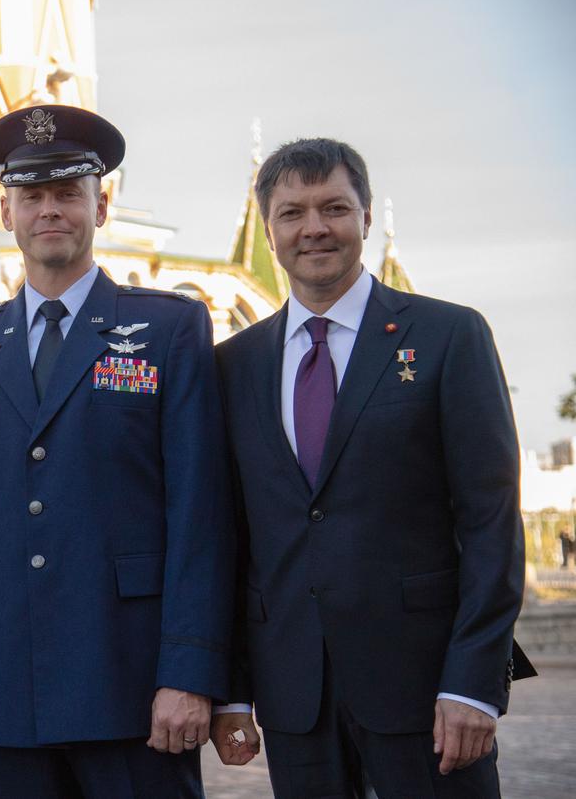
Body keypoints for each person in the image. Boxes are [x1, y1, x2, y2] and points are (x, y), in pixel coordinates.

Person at [0, 104, 234, 798]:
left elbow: (199, 512)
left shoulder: (166, 328)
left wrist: (189, 671)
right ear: (6, 212)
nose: (49, 211)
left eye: (67, 193)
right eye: (31, 196)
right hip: (9, 685)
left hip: (133, 684)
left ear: (101, 203)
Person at [211, 138, 534, 797]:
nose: (313, 228)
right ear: (267, 228)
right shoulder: (232, 364)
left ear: (363, 215)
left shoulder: (448, 336)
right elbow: (229, 540)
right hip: (296, 697)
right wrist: (232, 691)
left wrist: (472, 681)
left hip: (427, 690)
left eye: (332, 207)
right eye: (291, 212)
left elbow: (489, 519)